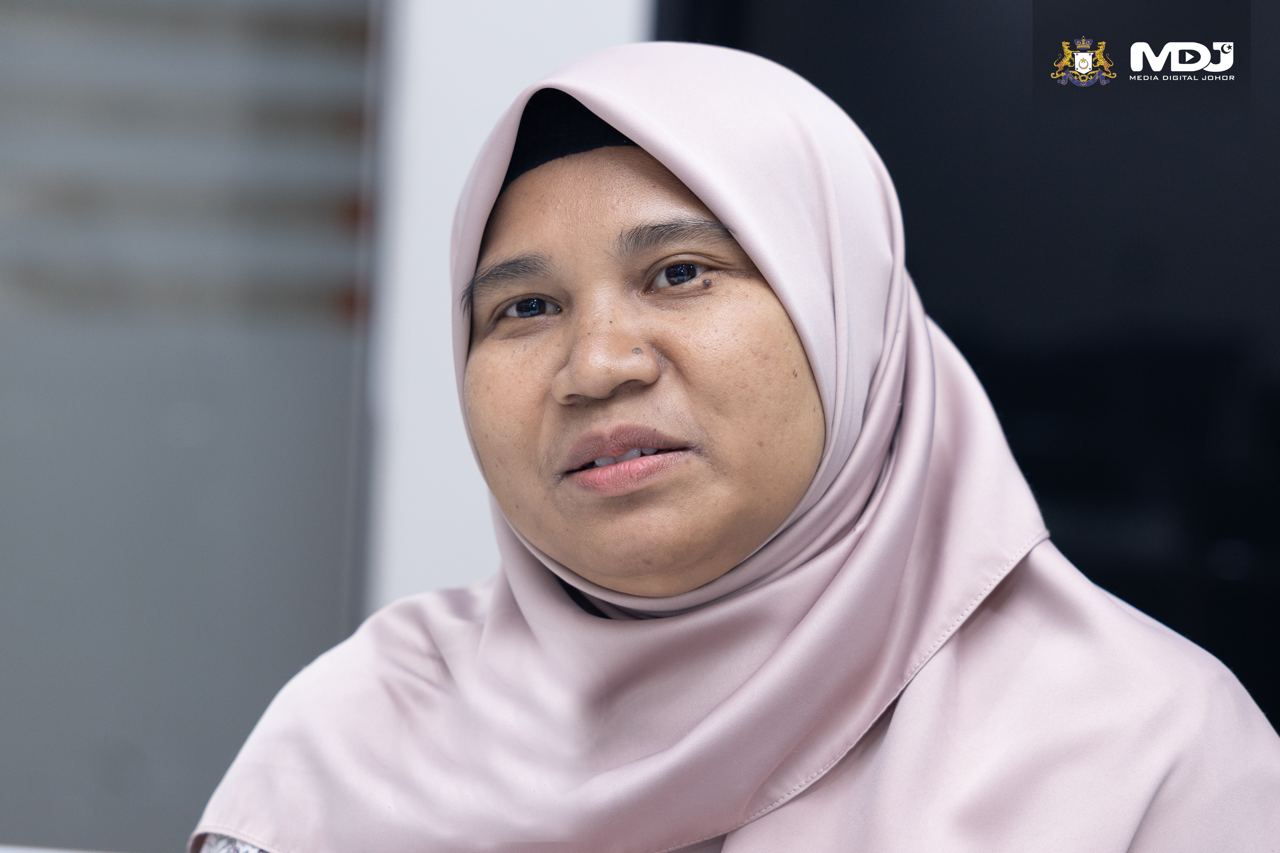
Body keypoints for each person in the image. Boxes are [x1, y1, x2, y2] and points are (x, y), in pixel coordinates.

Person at [190, 41, 1280, 853]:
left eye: (679, 273)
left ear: (847, 321)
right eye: (524, 308)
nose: (596, 365)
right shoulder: (362, 733)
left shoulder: (1144, 753)